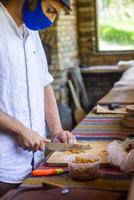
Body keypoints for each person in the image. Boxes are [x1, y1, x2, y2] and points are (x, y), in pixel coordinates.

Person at [0, 0, 76, 197]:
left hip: (36, 162)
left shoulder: (31, 33)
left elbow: (44, 84)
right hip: (4, 167)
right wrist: (20, 129)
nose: (50, 21)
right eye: (50, 10)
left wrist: (57, 130)